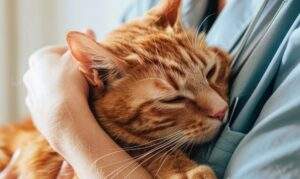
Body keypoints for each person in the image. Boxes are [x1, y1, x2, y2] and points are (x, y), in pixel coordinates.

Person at [3, 0, 300, 178]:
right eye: (172, 99)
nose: (218, 106)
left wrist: (64, 118)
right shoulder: (145, 7)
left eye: (211, 71)